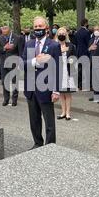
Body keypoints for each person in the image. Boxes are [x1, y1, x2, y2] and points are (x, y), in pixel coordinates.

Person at [22, 16, 60, 150]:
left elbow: (58, 69)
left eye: (40, 26)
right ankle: (37, 143)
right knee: (34, 120)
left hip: (46, 89)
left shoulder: (54, 45)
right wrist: (35, 62)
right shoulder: (29, 44)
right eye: (36, 27)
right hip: (31, 89)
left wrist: (56, 90)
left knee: (49, 121)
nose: (38, 29)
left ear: (47, 29)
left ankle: (50, 146)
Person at [56, 27, 77, 120]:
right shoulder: (54, 45)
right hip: (58, 72)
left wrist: (70, 60)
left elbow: (74, 58)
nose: (62, 35)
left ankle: (68, 113)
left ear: (66, 35)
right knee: (61, 93)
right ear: (57, 35)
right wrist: (60, 52)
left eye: (63, 33)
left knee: (68, 94)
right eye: (60, 33)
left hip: (68, 71)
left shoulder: (71, 45)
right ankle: (63, 112)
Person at [0, 26, 19, 107]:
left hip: (14, 62)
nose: (3, 30)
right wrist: (4, 48)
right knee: (4, 81)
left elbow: (20, 51)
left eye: (5, 28)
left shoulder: (17, 37)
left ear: (10, 29)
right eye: (2, 28)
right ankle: (6, 99)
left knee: (14, 82)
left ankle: (14, 100)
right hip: (3, 63)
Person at [76, 18, 91, 90]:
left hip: (79, 52)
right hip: (85, 52)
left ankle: (79, 85)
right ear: (86, 23)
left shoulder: (77, 32)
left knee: (80, 69)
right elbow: (89, 43)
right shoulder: (87, 32)